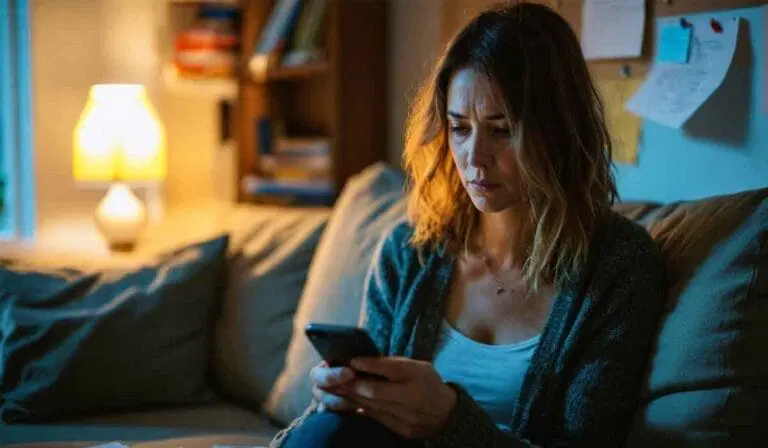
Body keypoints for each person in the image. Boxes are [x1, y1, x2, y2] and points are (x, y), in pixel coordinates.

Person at [270, 3, 666, 447]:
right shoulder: (410, 250)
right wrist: (338, 395)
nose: (474, 159)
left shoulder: (618, 266)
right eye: (460, 128)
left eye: (501, 130)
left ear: (557, 130)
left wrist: (448, 420)